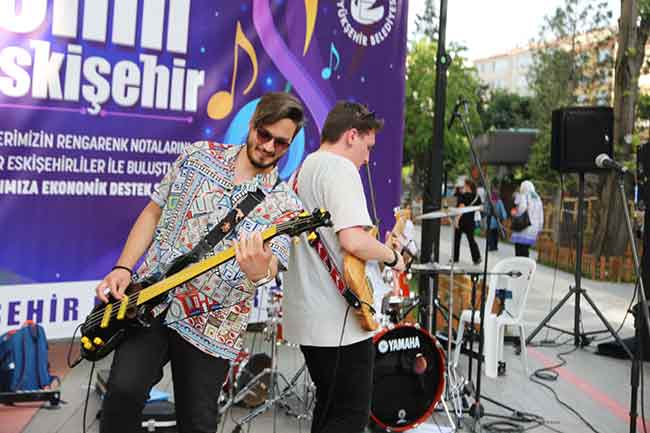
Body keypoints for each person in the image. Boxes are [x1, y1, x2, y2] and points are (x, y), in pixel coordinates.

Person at [95, 92, 305, 433]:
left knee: (198, 423)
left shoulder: (285, 206)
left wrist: (259, 271)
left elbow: (271, 267)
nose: (268, 147)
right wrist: (123, 267)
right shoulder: (197, 157)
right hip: (151, 302)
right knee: (122, 393)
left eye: (280, 143)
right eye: (264, 134)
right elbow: (153, 211)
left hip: (213, 329)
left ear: (290, 145)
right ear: (252, 125)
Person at [283, 101, 406, 433]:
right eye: (367, 147)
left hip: (307, 315)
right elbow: (352, 240)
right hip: (338, 319)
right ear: (352, 135)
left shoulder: (302, 170)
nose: (367, 158)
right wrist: (392, 256)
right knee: (349, 415)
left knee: (328, 408)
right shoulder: (340, 169)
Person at [511, 180, 544, 257]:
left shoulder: (524, 195)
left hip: (524, 226)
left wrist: (516, 213)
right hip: (534, 228)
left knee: (519, 249)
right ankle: (526, 266)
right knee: (526, 249)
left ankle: (521, 267)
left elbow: (522, 208)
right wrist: (540, 228)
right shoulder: (538, 198)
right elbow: (541, 214)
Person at [453, 179, 482, 265]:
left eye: (464, 185)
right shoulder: (477, 196)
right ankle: (477, 258)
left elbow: (461, 208)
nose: (463, 187)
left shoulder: (463, 196)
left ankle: (455, 259)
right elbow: (481, 208)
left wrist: (456, 220)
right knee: (471, 240)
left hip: (462, 221)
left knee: (457, 240)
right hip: (470, 221)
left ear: (468, 186)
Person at [486, 186, 508, 251]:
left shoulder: (490, 201)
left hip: (490, 220)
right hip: (497, 220)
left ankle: (491, 246)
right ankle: (495, 246)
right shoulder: (499, 202)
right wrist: (503, 217)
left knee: (490, 234)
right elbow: (503, 212)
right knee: (495, 234)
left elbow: (486, 209)